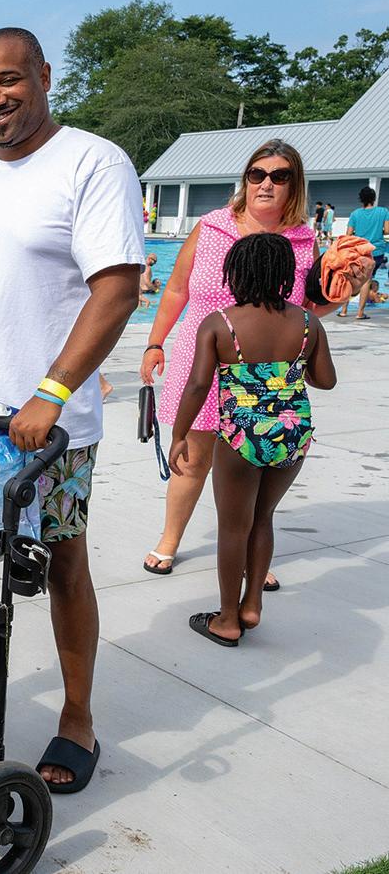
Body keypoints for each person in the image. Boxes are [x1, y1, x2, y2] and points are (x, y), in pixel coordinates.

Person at [0, 27, 146, 792]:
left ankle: (77, 718)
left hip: (53, 428)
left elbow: (117, 288)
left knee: (65, 563)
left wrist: (52, 391)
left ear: (44, 74)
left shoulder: (92, 163)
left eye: (8, 80)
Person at [140, 140, 372, 587]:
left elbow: (305, 310)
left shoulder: (302, 240)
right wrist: (155, 343)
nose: (266, 183)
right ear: (245, 180)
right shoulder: (211, 226)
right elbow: (176, 289)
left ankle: (250, 553)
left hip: (260, 376)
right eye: (257, 174)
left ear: (294, 185)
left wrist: (344, 291)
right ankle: (170, 539)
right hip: (203, 358)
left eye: (279, 176)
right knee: (193, 456)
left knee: (253, 466)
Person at [169, 233, 335, 645]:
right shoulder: (307, 323)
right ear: (285, 274)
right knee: (263, 518)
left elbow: (197, 385)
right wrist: (291, 369)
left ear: (236, 274)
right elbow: (326, 380)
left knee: (233, 527)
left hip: (242, 434)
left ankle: (227, 618)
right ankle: (252, 603)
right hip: (292, 433)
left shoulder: (220, 323)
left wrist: (178, 434)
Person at [340, 186, 389, 319]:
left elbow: (348, 234)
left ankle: (343, 310)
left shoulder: (355, 214)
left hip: (358, 251)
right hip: (376, 251)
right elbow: (387, 231)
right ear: (374, 198)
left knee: (351, 279)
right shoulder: (383, 212)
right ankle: (360, 313)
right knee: (367, 281)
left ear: (361, 199)